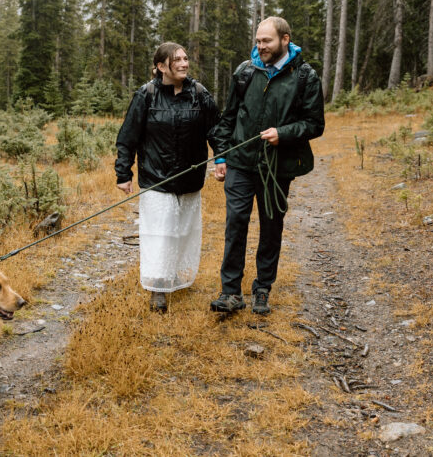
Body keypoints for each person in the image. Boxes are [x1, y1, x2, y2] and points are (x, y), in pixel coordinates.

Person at [209, 17, 325, 315]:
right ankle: (230, 291)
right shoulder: (245, 72)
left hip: (278, 166)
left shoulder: (305, 77)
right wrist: (221, 156)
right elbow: (228, 118)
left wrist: (282, 134)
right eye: (258, 41)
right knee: (236, 222)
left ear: (285, 39)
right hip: (240, 163)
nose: (260, 46)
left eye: (267, 41)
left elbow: (314, 124)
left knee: (271, 227)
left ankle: (263, 288)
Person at [115, 42, 226, 313]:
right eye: (176, 59)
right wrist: (123, 172)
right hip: (157, 179)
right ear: (161, 66)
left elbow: (217, 130)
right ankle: (158, 288)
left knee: (184, 231)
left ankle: (177, 277)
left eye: (186, 58)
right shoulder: (146, 95)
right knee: (160, 233)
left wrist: (221, 158)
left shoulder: (199, 94)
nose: (184, 63)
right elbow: (128, 136)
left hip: (190, 179)